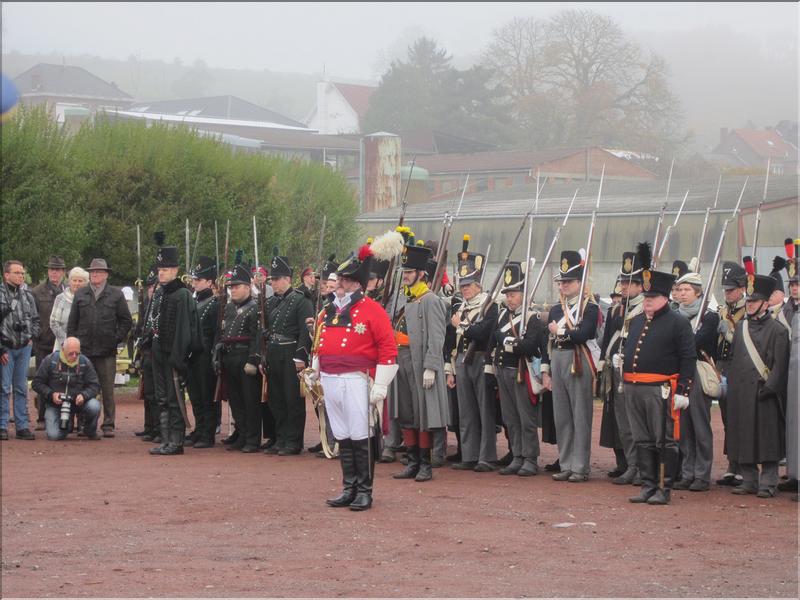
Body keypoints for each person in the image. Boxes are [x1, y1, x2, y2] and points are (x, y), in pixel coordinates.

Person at [304, 245, 398, 511]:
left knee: (360, 434)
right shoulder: (327, 311)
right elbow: (318, 344)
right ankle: (349, 486)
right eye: (339, 280)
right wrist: (315, 371)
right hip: (331, 378)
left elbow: (388, 348)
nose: (339, 285)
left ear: (357, 283)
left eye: (344, 281)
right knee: (343, 435)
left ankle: (364, 490)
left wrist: (381, 383)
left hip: (357, 379)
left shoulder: (373, 310)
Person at [622, 242, 695, 505]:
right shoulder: (638, 319)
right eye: (646, 297)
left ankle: (664, 488)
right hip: (634, 387)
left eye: (652, 298)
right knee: (642, 439)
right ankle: (648, 484)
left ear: (665, 297)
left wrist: (684, 391)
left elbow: (688, 358)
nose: (648, 301)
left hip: (662, 389)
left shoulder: (678, 322)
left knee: (663, 440)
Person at [726, 269, 790, 498]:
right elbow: (734, 358)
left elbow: (780, 366)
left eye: (754, 301)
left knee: (768, 439)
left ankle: (768, 483)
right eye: (749, 301)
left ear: (765, 303)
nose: (750, 305)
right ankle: (749, 480)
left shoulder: (779, 330)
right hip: (742, 392)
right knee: (744, 436)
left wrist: (769, 388)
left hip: (765, 392)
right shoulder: (742, 327)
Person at [390, 244, 448, 483]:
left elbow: (437, 336)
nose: (405, 276)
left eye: (410, 272)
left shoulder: (430, 300)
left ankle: (425, 463)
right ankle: (412, 461)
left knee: (422, 413)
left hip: (419, 361)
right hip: (400, 358)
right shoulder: (404, 298)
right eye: (404, 272)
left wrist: (431, 366)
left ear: (421, 273)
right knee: (406, 411)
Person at [541, 249, 600, 483]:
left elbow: (585, 334)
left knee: (580, 416)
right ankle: (565, 463)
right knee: (562, 417)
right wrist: (545, 370)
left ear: (580, 282)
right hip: (558, 358)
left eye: (568, 281)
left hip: (578, 361)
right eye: (561, 282)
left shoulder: (590, 307)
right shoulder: (557, 308)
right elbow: (547, 341)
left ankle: (580, 466)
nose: (563, 286)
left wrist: (561, 331)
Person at [486, 262, 545, 477]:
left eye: (513, 294)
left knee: (525, 419)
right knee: (510, 418)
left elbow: (529, 346)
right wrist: (509, 341)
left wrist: (507, 341)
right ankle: (517, 455)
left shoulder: (531, 317)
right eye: (508, 294)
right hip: (503, 371)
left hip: (521, 372)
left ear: (523, 294)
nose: (509, 298)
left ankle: (530, 458)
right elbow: (494, 340)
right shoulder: (503, 316)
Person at [446, 235, 499, 472]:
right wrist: (450, 367)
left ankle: (486, 456)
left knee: (484, 409)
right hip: (461, 361)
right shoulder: (460, 307)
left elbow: (483, 332)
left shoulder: (489, 305)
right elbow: (451, 340)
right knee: (466, 410)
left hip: (479, 359)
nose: (464, 290)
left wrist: (462, 326)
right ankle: (469, 453)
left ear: (478, 285)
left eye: (468, 286)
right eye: (462, 286)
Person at [67, 258, 132, 437]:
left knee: (107, 389)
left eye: (99, 272)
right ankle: (82, 423)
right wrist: (72, 346)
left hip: (106, 352)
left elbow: (126, 321)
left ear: (106, 275)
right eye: (92, 272)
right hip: (84, 351)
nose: (95, 274)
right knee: (81, 387)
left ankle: (108, 424)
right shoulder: (80, 294)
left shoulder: (116, 295)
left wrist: (115, 339)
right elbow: (72, 324)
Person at [148, 245, 199, 456]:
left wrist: (178, 359)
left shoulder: (182, 295)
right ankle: (166, 438)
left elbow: (185, 330)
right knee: (161, 398)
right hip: (158, 353)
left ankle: (176, 441)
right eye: (160, 269)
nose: (162, 272)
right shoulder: (160, 294)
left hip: (173, 355)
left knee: (174, 397)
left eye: (166, 269)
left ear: (176, 270)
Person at [599, 251, 645, 484]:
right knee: (623, 423)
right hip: (615, 370)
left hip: (637, 372)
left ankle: (640, 466)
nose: (624, 287)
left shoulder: (645, 309)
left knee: (636, 422)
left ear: (640, 285)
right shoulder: (617, 308)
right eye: (623, 282)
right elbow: (608, 336)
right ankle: (630, 464)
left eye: (629, 283)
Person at [672, 265, 719, 492]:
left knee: (700, 426)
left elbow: (695, 343)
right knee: (683, 427)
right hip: (678, 373)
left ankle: (702, 474)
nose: (682, 294)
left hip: (698, 372)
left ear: (699, 292)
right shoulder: (674, 316)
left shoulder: (709, 317)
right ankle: (687, 472)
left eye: (687, 290)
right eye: (680, 289)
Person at [262, 250, 313, 455]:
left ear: (287, 279)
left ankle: (293, 441)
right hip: (274, 352)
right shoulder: (272, 302)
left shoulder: (302, 300)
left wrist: (300, 356)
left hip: (291, 352)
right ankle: (281, 438)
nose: (273, 283)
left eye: (276, 279)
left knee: (292, 399)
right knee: (276, 398)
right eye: (272, 280)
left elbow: (305, 331)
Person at [215, 260, 263, 453]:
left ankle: (252, 438)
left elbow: (256, 336)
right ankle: (241, 434)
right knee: (235, 400)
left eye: (237, 286)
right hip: (230, 355)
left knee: (250, 400)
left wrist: (253, 358)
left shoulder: (255, 307)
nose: (232, 290)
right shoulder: (228, 308)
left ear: (248, 287)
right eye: (231, 287)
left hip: (245, 356)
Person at [715, 261, 748, 486]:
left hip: (740, 369)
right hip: (723, 367)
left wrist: (730, 334)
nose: (727, 294)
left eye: (731, 290)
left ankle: (744, 465)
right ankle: (732, 463)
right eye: (725, 290)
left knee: (742, 418)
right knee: (727, 418)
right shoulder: (723, 311)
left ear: (742, 288)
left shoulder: (748, 310)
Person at [31, 337, 101, 441]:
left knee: (94, 406)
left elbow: (95, 385)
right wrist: (51, 394)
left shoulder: (85, 362)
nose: (74, 356)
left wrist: (84, 395)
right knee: (54, 436)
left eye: (77, 353)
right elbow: (36, 383)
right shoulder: (50, 360)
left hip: (77, 403)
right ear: (63, 350)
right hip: (56, 405)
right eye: (71, 353)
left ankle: (89, 430)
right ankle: (66, 426)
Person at [0, 259, 40, 441]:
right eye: (17, 273)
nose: (21, 276)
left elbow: (36, 319)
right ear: (6, 274)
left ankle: (22, 425)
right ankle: (2, 426)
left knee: (21, 388)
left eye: (22, 273)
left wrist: (32, 337)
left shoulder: (28, 295)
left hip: (24, 347)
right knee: (3, 388)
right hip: (5, 347)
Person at [186, 256, 219, 448]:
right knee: (195, 395)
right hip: (193, 354)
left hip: (206, 354)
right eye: (194, 280)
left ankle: (208, 433)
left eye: (198, 280)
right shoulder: (193, 302)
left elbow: (215, 332)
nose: (195, 283)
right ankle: (199, 429)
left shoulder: (214, 304)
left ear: (209, 282)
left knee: (207, 395)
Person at [31, 255, 66, 430]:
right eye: (51, 269)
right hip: (43, 345)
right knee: (42, 380)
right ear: (48, 271)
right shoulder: (36, 291)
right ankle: (41, 418)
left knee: (64, 381)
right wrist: (36, 336)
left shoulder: (70, 291)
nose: (54, 272)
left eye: (58, 269)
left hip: (64, 346)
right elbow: (32, 317)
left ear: (63, 272)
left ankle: (64, 418)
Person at [778, 240, 798, 495]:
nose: (794, 289)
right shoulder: (787, 310)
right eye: (792, 285)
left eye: (797, 285)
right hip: (791, 376)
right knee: (792, 426)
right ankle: (795, 472)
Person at [50, 267, 89, 352]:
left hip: (85, 346)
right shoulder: (60, 298)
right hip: (63, 345)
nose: (77, 283)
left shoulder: (89, 299)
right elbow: (53, 323)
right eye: (74, 280)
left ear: (85, 283)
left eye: (80, 281)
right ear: (69, 281)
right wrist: (68, 342)